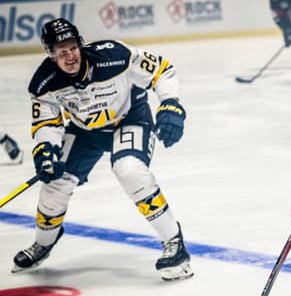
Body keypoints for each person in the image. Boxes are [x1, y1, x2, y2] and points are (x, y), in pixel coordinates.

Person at [13, 18, 193, 281]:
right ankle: (44, 242)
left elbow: (161, 70)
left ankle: (174, 243)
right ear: (51, 55)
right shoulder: (44, 83)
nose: (70, 56)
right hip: (86, 131)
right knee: (55, 183)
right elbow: (47, 122)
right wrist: (46, 149)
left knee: (129, 170)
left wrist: (170, 104)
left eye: (73, 48)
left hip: (130, 119)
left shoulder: (115, 55)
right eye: (61, 52)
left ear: (80, 45)